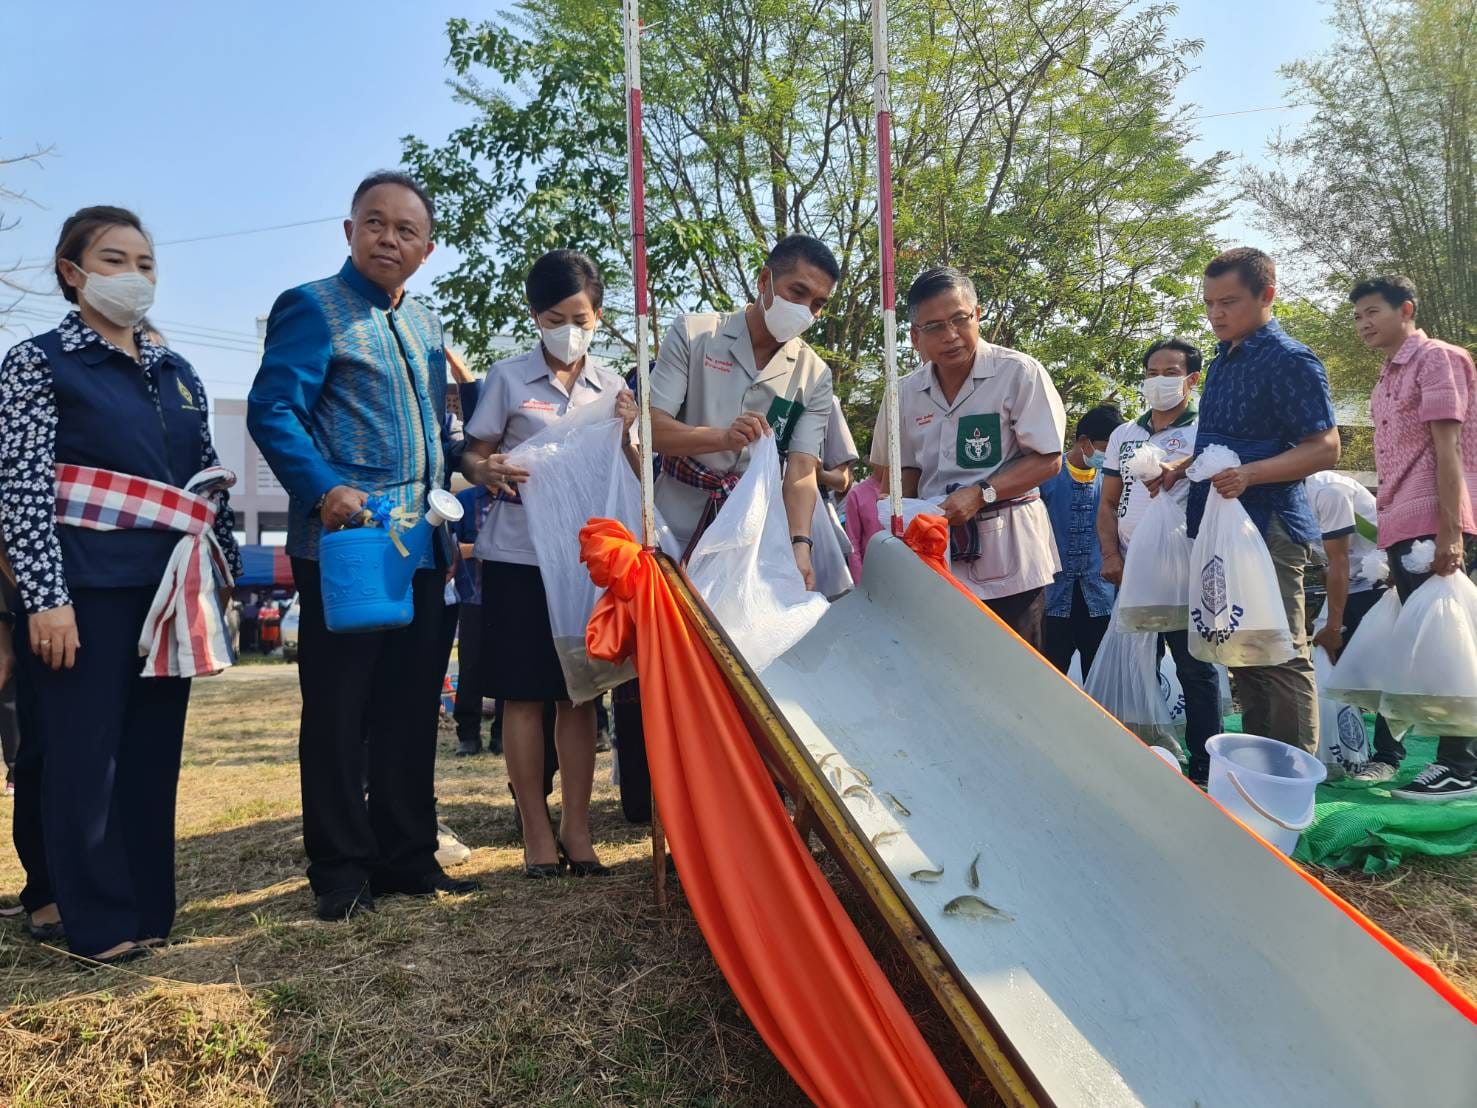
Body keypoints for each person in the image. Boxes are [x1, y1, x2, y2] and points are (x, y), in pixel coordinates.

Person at [0, 205, 242, 963]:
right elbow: (22, 489)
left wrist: (222, 569)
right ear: (71, 274)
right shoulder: (37, 363)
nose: (133, 276)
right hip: (82, 591)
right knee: (84, 758)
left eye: (144, 263)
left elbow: (204, 479)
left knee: (150, 754)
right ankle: (97, 925)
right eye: (113, 261)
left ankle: (148, 911)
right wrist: (45, 598)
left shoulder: (176, 372)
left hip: (166, 591)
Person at [248, 171, 478, 920]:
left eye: (406, 230)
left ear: (427, 249)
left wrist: (472, 464)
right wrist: (323, 488)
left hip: (422, 547)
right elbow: (273, 410)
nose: (389, 237)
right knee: (341, 711)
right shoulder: (312, 308)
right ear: (349, 231)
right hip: (346, 547)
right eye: (374, 223)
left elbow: (439, 431)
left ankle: (407, 859)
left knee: (411, 708)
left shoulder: (426, 325)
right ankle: (342, 871)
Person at [462, 249, 638, 878]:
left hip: (587, 563)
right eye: (558, 317)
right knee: (523, 697)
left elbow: (635, 473)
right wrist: (488, 470)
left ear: (598, 316)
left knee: (581, 697)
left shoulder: (616, 387)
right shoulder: (507, 379)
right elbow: (473, 458)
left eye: (584, 317)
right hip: (517, 555)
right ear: (536, 316)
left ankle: (579, 830)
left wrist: (629, 431)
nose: (572, 329)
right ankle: (535, 832)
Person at [1168, 248, 1339, 754]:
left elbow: (1325, 447)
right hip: (1219, 525)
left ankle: (1293, 785)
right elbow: (1225, 439)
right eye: (1209, 303)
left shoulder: (1290, 359)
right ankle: (1260, 772)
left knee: (1281, 654)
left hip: (1269, 524)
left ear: (1267, 295)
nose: (1216, 313)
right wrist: (1183, 468)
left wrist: (1249, 474)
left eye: (1229, 301)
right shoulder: (1221, 362)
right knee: (1245, 656)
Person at [870, 266, 1067, 649]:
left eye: (960, 319)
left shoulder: (1018, 374)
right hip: (936, 554)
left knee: (1012, 674)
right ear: (915, 338)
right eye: (934, 327)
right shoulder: (903, 393)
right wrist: (904, 523)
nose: (951, 336)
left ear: (977, 316)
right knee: (945, 670)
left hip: (1010, 558)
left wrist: (981, 493)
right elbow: (900, 471)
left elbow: (1048, 460)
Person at [1350, 274, 1477, 800]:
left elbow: (1448, 450)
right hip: (1402, 522)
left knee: (1452, 645)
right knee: (1424, 646)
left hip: (1434, 521)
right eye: (1357, 316)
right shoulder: (1385, 377)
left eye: (1373, 312)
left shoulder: (1436, 358)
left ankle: (1460, 764)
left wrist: (1450, 534)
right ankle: (1434, 758)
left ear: (1406, 309)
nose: (1363, 324)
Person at [649, 234, 838, 582]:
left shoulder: (814, 375)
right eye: (797, 293)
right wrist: (722, 437)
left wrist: (800, 545)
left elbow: (801, 470)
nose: (806, 311)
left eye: (817, 304)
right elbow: (651, 430)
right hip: (668, 530)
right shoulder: (694, 335)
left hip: (750, 543)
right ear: (764, 280)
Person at [1098, 337, 1221, 782]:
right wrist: (1110, 553)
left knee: (1192, 665)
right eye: (1152, 372)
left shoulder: (1204, 429)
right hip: (1131, 565)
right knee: (1136, 660)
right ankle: (1142, 750)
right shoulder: (1124, 435)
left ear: (1192, 379)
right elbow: (1108, 502)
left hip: (1183, 565)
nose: (1158, 381)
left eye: (1170, 373)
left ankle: (1205, 764)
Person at [1041, 404, 1121, 677]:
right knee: (1050, 676)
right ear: (1084, 442)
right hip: (1052, 596)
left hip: (1098, 597)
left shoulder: (1113, 482)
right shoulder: (1045, 477)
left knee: (1100, 676)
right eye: (1107, 448)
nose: (1110, 456)